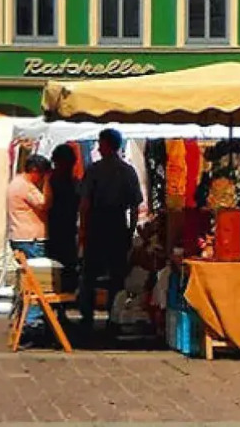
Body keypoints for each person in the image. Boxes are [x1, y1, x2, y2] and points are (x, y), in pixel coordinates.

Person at [78, 128, 144, 339]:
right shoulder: (128, 171)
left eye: (100, 144)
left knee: (90, 274)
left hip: (97, 225)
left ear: (107, 145)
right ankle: (112, 317)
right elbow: (135, 205)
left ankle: (87, 317)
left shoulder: (94, 170)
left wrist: (83, 229)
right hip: (117, 225)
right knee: (117, 275)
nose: (98, 148)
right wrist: (131, 229)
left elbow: (85, 203)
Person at [45, 146, 80, 293]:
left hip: (62, 231)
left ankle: (63, 296)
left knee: (63, 268)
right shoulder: (52, 181)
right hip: (58, 231)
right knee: (63, 268)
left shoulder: (51, 181)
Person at [7, 155, 50, 258]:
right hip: (31, 239)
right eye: (42, 174)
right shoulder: (26, 186)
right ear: (35, 170)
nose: (41, 178)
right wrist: (47, 184)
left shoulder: (15, 182)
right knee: (36, 267)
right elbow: (44, 204)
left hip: (18, 235)